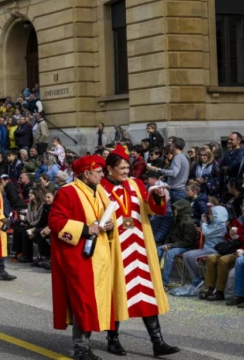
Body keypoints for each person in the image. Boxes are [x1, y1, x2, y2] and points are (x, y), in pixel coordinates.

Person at [99, 145, 178, 357]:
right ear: (109, 169)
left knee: (146, 292)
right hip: (114, 246)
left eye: (127, 167)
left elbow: (152, 208)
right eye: (122, 168)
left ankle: (158, 342)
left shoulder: (135, 184)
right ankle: (112, 340)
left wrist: (158, 196)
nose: (126, 171)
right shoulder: (100, 188)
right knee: (115, 292)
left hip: (139, 245)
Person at [49, 155, 124, 360]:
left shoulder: (100, 191)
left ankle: (87, 344)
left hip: (99, 256)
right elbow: (55, 222)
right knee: (83, 302)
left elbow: (106, 221)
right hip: (78, 256)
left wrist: (109, 226)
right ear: (86, 173)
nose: (103, 175)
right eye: (98, 172)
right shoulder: (67, 192)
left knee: (92, 302)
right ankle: (80, 348)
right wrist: (84, 229)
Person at [200, 198, 244, 300]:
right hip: (231, 248)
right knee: (211, 258)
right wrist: (230, 234)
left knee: (223, 260)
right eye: (243, 206)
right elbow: (226, 237)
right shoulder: (238, 220)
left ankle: (220, 291)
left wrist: (239, 237)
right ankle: (210, 288)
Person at [181, 204, 228, 287]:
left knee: (191, 256)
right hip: (207, 248)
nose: (209, 215)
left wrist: (204, 223)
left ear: (217, 215)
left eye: (211, 214)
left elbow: (206, 233)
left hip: (214, 249)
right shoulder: (213, 224)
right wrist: (203, 221)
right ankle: (195, 278)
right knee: (185, 255)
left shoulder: (222, 226)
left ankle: (198, 278)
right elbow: (205, 229)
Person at [157, 199, 199, 287]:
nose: (174, 210)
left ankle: (165, 283)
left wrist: (170, 246)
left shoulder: (188, 223)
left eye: (176, 209)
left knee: (170, 253)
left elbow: (188, 242)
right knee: (158, 249)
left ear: (182, 210)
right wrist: (166, 244)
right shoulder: (176, 220)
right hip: (175, 245)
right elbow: (170, 235)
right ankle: (155, 277)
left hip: (186, 246)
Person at [149, 137, 189, 203]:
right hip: (179, 190)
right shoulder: (183, 157)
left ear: (174, 146)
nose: (170, 146)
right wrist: (165, 175)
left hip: (176, 191)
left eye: (171, 145)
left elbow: (174, 173)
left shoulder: (177, 157)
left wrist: (157, 169)